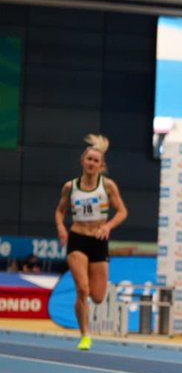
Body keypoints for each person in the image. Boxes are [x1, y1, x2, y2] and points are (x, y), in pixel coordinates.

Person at [54, 134, 128, 350]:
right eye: (89, 159)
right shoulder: (70, 187)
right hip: (77, 239)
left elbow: (122, 211)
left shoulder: (108, 186)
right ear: (82, 161)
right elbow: (60, 211)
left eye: (96, 161)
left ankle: (86, 327)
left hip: (98, 241)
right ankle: (84, 335)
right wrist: (61, 227)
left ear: (101, 165)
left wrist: (108, 226)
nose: (92, 163)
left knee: (97, 296)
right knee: (82, 289)